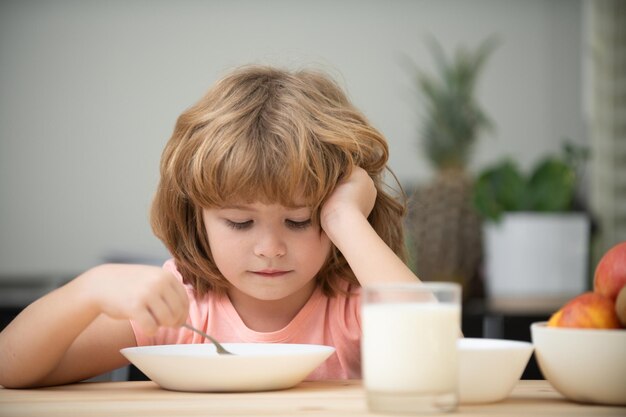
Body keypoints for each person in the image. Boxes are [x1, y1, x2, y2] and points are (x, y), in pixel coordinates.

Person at [0, 65, 420, 388]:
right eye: (240, 223)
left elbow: (441, 358)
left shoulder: (354, 307)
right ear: (195, 216)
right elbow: (10, 369)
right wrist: (89, 290)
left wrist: (346, 219)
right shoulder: (180, 306)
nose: (270, 248)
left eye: (299, 220)